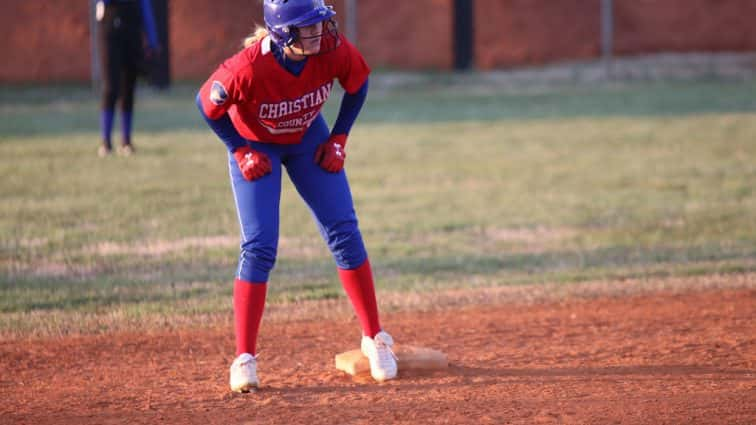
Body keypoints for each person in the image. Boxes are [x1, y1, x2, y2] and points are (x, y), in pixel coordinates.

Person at [196, 0, 398, 392]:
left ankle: (375, 338)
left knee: (344, 231)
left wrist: (339, 136)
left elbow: (357, 83)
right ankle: (244, 359)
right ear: (283, 34)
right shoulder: (247, 68)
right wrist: (238, 149)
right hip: (258, 145)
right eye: (308, 28)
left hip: (307, 137)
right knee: (259, 246)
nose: (320, 34)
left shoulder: (331, 50)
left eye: (321, 24)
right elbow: (207, 105)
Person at [95, 0, 159, 157]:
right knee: (110, 88)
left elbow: (145, 7)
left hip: (132, 33)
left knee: (128, 88)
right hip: (110, 31)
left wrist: (152, 40)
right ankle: (106, 142)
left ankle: (126, 141)